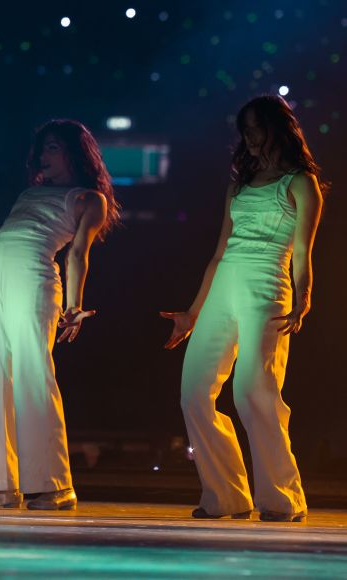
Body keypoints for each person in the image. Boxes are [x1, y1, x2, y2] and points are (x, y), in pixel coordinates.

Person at [162, 95, 323, 522]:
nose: (249, 136)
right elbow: (218, 254)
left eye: (256, 127)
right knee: (194, 393)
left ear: (277, 129)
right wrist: (193, 314)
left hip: (268, 283)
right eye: (244, 129)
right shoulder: (237, 184)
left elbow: (304, 251)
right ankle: (226, 496)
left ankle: (282, 498)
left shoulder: (300, 182)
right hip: (226, 283)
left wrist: (304, 296)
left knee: (253, 391)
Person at [0, 120, 118, 510]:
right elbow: (7, 239)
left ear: (76, 153)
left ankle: (55, 485)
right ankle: (0, 483)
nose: (44, 156)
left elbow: (77, 254)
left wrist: (75, 305)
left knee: (32, 375)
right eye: (43, 148)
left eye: (54, 148)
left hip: (35, 275)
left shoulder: (90, 197)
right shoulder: (31, 192)